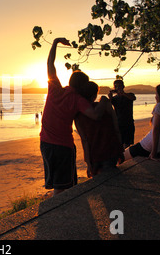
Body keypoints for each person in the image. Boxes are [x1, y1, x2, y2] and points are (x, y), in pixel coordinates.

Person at [39, 37, 109, 195]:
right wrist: (105, 100)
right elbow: (96, 115)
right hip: (63, 146)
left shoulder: (55, 89)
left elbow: (50, 64)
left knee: (57, 184)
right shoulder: (78, 100)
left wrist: (55, 41)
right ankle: (60, 216)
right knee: (63, 187)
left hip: (45, 144)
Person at [75, 81, 124, 177]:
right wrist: (121, 150)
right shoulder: (105, 106)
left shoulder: (78, 114)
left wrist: (88, 163)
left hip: (94, 155)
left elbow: (84, 140)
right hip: (110, 151)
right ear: (94, 95)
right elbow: (116, 129)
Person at [108, 79, 136, 149]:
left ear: (123, 86)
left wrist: (123, 93)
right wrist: (110, 97)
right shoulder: (115, 98)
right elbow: (109, 106)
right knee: (119, 142)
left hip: (128, 122)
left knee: (128, 143)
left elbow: (133, 98)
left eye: (119, 86)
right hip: (118, 123)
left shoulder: (129, 95)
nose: (118, 88)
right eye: (116, 87)